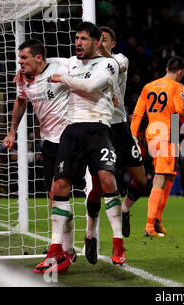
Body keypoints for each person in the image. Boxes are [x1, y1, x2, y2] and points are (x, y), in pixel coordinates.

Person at [39, 22, 125, 269]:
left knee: (107, 179)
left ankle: (118, 243)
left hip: (98, 127)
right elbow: (50, 64)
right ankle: (56, 249)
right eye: (76, 38)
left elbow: (88, 86)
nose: (78, 42)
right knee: (60, 186)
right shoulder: (70, 62)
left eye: (84, 39)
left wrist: (63, 78)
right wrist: (28, 70)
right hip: (72, 129)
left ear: (97, 42)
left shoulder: (108, 63)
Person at [2, 39, 76, 273]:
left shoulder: (63, 66)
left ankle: (60, 250)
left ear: (39, 58)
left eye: (24, 58)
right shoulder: (24, 79)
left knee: (60, 192)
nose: (20, 62)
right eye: (19, 58)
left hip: (71, 137)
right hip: (49, 142)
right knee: (54, 197)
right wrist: (12, 131)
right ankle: (69, 249)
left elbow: (89, 69)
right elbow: (21, 102)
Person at [83, 26, 147, 265]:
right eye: (96, 40)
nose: (99, 43)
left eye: (104, 39)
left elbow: (117, 66)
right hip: (100, 129)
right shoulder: (86, 65)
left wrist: (103, 53)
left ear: (113, 43)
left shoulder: (120, 59)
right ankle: (90, 235)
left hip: (121, 128)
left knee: (141, 181)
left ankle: (126, 209)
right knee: (100, 187)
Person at [130, 56, 184, 237]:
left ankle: (157, 221)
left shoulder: (149, 86)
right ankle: (149, 226)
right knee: (161, 178)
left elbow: (138, 113)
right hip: (167, 136)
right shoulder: (177, 87)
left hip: (153, 134)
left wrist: (132, 135)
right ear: (180, 73)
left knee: (169, 178)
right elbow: (181, 111)